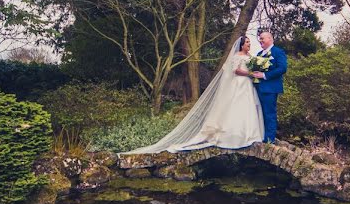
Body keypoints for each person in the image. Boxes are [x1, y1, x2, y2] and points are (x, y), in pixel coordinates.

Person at [121, 35, 264, 154]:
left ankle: (248, 135)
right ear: (241, 45)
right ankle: (233, 136)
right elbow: (236, 71)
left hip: (247, 85)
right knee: (236, 107)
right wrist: (250, 73)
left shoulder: (250, 56)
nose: (249, 45)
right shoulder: (237, 56)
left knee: (247, 108)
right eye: (247, 43)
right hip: (239, 84)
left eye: (249, 43)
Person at [250, 30, 287, 143]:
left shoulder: (278, 52)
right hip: (258, 88)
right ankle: (260, 136)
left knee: (269, 113)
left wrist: (264, 75)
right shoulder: (259, 54)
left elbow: (282, 68)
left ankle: (269, 139)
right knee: (259, 113)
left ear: (270, 39)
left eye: (262, 38)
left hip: (270, 88)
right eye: (260, 38)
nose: (260, 40)